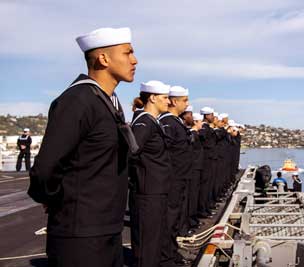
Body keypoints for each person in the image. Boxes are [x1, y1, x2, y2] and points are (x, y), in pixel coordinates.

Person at [27, 27, 138, 267]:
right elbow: (46, 168)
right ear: (103, 58)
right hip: (80, 234)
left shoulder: (108, 102)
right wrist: (56, 200)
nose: (134, 60)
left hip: (107, 228)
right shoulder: (78, 100)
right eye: (128, 53)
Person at [129, 80, 172, 267]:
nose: (169, 102)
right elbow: (131, 152)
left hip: (156, 189)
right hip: (148, 192)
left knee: (155, 240)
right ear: (153, 98)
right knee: (148, 243)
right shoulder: (144, 122)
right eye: (165, 98)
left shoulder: (151, 121)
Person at [158, 86, 192, 266]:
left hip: (179, 178)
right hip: (171, 179)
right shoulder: (168, 123)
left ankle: (171, 252)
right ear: (174, 101)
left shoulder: (175, 122)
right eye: (184, 100)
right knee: (169, 220)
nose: (187, 104)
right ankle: (165, 257)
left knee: (174, 219)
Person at [197, 107, 217, 218]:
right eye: (211, 115)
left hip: (209, 159)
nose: (213, 117)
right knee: (204, 187)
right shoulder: (204, 128)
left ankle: (206, 208)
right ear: (206, 116)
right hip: (205, 160)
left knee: (208, 186)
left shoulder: (207, 128)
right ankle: (202, 210)